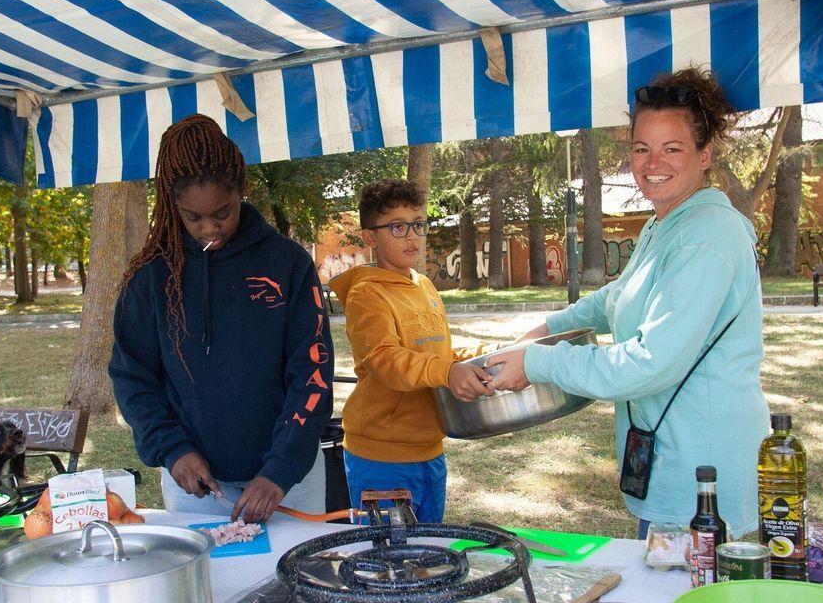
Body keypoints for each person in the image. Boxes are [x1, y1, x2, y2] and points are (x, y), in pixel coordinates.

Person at [485, 67, 768, 538]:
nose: (652, 162)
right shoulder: (667, 224)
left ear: (705, 154)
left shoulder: (708, 235)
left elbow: (647, 365)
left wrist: (538, 362)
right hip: (671, 469)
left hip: (703, 483)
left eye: (672, 148)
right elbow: (616, 297)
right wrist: (542, 329)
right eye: (641, 148)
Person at [109, 114, 333, 524]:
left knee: (300, 584)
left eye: (222, 213)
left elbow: (312, 373)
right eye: (193, 217)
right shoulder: (151, 277)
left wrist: (279, 470)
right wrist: (173, 449)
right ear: (170, 205)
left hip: (289, 483)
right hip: (195, 488)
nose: (209, 227)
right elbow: (132, 378)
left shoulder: (287, 264)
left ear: (241, 192)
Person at [329, 179, 493, 523]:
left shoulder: (424, 285)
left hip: (430, 449)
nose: (412, 236)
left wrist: (488, 353)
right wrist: (446, 372)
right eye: (398, 227)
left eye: (418, 224)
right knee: (387, 563)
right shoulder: (366, 296)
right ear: (370, 237)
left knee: (429, 554)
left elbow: (437, 350)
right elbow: (386, 360)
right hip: (381, 456)